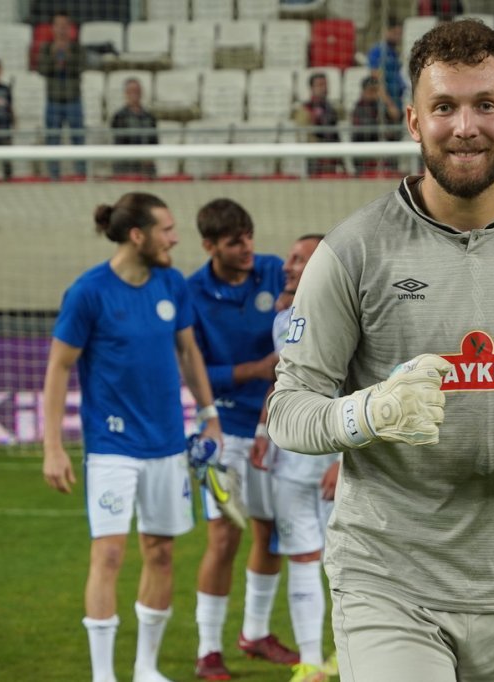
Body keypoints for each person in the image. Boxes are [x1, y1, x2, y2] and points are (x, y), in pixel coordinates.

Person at [266, 19, 494, 682]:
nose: (465, 126)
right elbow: (290, 411)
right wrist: (369, 413)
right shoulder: (351, 251)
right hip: (388, 578)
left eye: (485, 106)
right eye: (445, 107)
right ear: (414, 120)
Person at [41, 192, 223, 682]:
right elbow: (59, 367)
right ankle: (104, 675)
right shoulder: (88, 292)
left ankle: (146, 668)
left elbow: (189, 354)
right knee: (110, 554)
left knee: (161, 553)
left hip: (168, 445)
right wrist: (53, 446)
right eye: (166, 229)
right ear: (137, 235)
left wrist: (209, 416)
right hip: (112, 447)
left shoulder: (171, 284)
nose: (176, 237)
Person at [185, 198, 297, 680]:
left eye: (249, 235)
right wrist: (251, 370)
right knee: (224, 535)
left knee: (270, 530)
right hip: (220, 432)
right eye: (235, 241)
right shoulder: (191, 292)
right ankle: (208, 650)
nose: (247, 247)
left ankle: (254, 633)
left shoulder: (273, 271)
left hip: (274, 428)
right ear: (210, 246)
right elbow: (190, 368)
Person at [252, 234, 341, 682]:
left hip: (333, 462)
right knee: (302, 557)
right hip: (289, 461)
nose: (287, 265)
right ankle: (311, 663)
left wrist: (344, 459)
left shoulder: (347, 316)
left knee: (347, 562)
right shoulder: (283, 319)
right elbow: (281, 381)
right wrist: (264, 429)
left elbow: (359, 390)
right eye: (289, 257)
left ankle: (348, 654)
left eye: (298, 259)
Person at [38, 11, 87, 180]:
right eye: (58, 26)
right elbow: (43, 70)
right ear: (53, 28)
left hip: (73, 100)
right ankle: (54, 176)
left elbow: (80, 68)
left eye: (64, 26)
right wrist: (54, 56)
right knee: (52, 140)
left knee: (78, 139)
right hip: (53, 101)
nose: (61, 30)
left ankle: (80, 174)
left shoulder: (77, 48)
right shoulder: (46, 48)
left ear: (69, 29)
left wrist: (68, 55)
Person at [350, 75, 401, 175]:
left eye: (376, 90)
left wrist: (386, 99)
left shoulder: (381, 105)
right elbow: (366, 129)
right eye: (371, 90)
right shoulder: (360, 106)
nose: (374, 94)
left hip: (384, 152)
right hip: (365, 153)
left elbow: (396, 115)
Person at [294, 72, 344, 175]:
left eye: (325, 84)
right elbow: (301, 135)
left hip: (332, 152)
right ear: (311, 88)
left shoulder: (333, 108)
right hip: (314, 154)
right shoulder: (305, 109)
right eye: (320, 85)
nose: (324, 88)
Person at [110, 78, 157, 178]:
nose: (135, 94)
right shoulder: (119, 116)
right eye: (131, 91)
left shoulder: (149, 116)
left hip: (147, 168)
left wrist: (149, 156)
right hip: (126, 167)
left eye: (137, 91)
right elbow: (119, 143)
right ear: (126, 93)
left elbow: (154, 140)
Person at [367, 16, 405, 124]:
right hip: (384, 106)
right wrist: (390, 105)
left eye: (399, 33)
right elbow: (377, 82)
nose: (397, 37)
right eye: (394, 33)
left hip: (398, 101)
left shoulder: (395, 53)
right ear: (386, 31)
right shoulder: (377, 52)